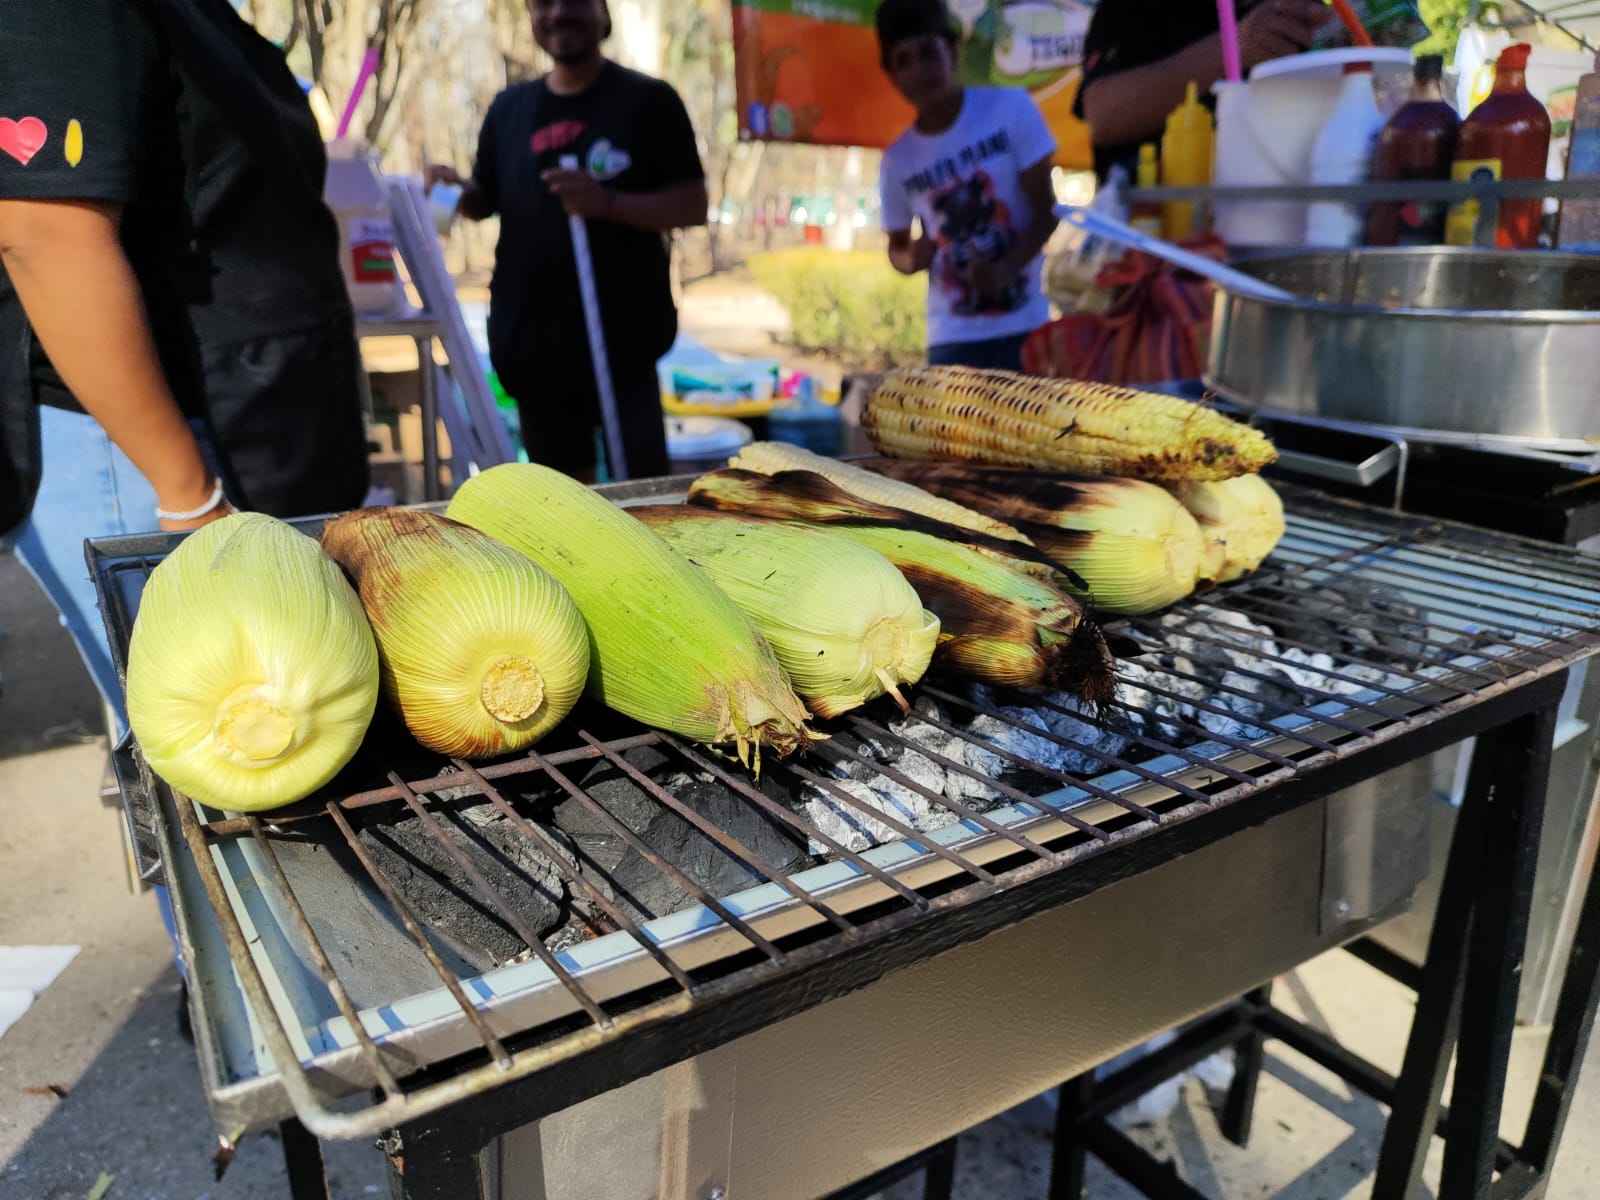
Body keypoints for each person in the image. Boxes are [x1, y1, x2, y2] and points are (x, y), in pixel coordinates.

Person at [0, 0, 371, 734]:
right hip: (149, 461)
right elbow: (46, 236)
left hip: (251, 430)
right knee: (229, 756)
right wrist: (188, 495)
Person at [427, 0, 708, 482]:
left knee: (643, 494)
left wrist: (609, 204)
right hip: (536, 348)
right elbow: (484, 199)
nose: (558, 13)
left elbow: (692, 204)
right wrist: (454, 191)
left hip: (623, 346)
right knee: (562, 506)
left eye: (574, 0)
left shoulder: (649, 101)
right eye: (542, 3)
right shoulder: (508, 110)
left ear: (602, 12)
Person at [875, 0, 1059, 372]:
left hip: (1026, 327)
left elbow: (1046, 212)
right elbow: (896, 249)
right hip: (952, 341)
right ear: (892, 75)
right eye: (903, 61)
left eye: (928, 52)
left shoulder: (1010, 107)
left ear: (953, 50)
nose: (918, 71)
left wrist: (1007, 268)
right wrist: (912, 258)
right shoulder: (897, 161)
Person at [1075, 0, 1331, 182]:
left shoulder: (1309, 11)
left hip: (1292, 224)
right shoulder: (1137, 8)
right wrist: (1235, 45)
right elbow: (1104, 116)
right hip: (1156, 235)